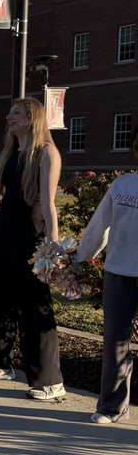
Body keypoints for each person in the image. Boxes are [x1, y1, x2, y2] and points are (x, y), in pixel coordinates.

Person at [0, 98, 65, 399]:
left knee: (33, 304)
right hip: (3, 231)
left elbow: (48, 201)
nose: (9, 117)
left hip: (30, 233)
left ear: (32, 119)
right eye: (10, 112)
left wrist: (52, 242)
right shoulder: (10, 152)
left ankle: (49, 380)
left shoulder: (47, 153)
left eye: (16, 113)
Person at [75, 125, 138, 423]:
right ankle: (112, 407)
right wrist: (78, 260)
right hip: (118, 273)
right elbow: (98, 228)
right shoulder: (122, 186)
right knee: (115, 342)